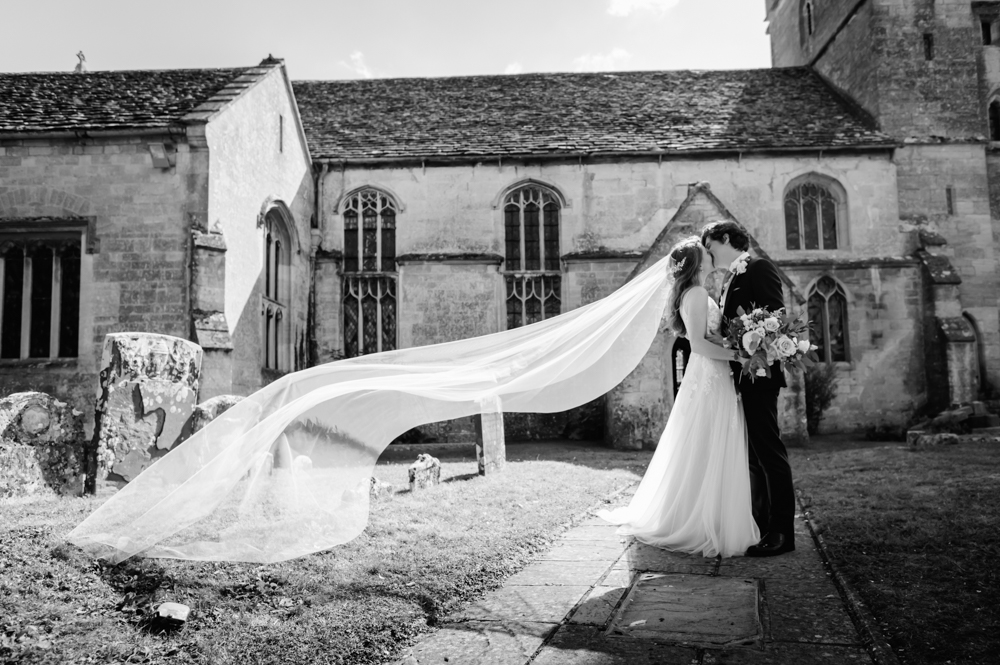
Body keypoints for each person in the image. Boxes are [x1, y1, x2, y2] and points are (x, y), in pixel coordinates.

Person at [597, 237, 759, 558]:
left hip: (710, 375)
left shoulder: (693, 293)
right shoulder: (697, 294)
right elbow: (697, 345)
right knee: (708, 443)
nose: (710, 255)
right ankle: (701, 520)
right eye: (705, 253)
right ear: (698, 264)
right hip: (709, 374)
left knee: (705, 444)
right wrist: (739, 355)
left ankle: (705, 514)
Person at [701, 220, 796, 557]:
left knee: (769, 452)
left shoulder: (758, 267)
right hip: (740, 377)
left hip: (760, 375)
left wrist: (742, 347)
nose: (708, 253)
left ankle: (783, 532)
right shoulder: (731, 278)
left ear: (726, 239)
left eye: (710, 246)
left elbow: (775, 316)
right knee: (753, 457)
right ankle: (760, 524)